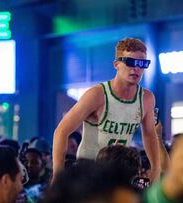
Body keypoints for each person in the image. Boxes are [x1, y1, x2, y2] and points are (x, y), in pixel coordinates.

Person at [53, 37, 160, 181]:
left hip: (119, 174)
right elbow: (61, 131)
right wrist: (57, 175)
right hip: (88, 173)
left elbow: (149, 134)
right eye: (130, 62)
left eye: (142, 64)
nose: (136, 68)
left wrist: (156, 168)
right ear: (116, 64)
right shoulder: (97, 94)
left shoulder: (147, 98)